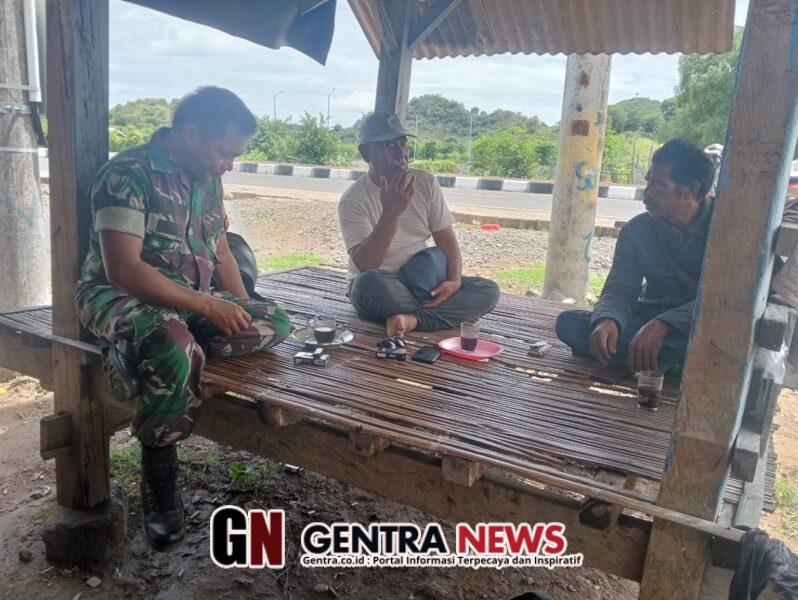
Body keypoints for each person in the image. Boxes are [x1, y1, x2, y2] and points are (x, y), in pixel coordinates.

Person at [75, 87, 290, 550]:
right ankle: (159, 471)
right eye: (224, 153)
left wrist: (241, 304)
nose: (228, 165)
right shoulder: (127, 175)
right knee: (174, 346)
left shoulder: (206, 178)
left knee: (276, 321)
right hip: (118, 296)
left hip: (188, 301)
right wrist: (207, 307)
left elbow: (220, 248)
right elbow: (123, 269)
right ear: (190, 134)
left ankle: (160, 351)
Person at [555, 139, 716, 376]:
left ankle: (654, 358)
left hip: (700, 326)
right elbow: (621, 287)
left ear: (689, 190)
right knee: (569, 324)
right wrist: (608, 320)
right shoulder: (636, 231)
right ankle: (661, 362)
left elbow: (724, 300)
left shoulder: (726, 232)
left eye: (658, 184)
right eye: (649, 181)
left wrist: (666, 323)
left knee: (711, 346)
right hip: (646, 320)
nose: (647, 192)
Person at [338, 111, 499, 336]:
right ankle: (439, 315)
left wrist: (454, 281)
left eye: (402, 144)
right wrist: (390, 213)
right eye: (388, 146)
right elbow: (367, 264)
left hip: (423, 280)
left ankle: (411, 319)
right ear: (366, 153)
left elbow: (446, 240)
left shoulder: (425, 182)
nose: (401, 154)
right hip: (383, 287)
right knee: (367, 283)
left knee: (488, 290)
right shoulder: (353, 199)